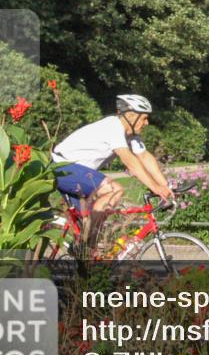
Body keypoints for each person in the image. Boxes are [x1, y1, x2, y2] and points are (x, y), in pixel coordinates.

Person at [51, 94, 172, 248]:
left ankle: (85, 257)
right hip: (63, 167)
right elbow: (130, 161)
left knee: (86, 231)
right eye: (144, 118)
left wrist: (165, 186)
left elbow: (144, 156)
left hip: (77, 173)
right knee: (114, 190)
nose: (147, 123)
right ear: (130, 115)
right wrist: (155, 188)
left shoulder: (130, 135)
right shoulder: (113, 127)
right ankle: (87, 246)